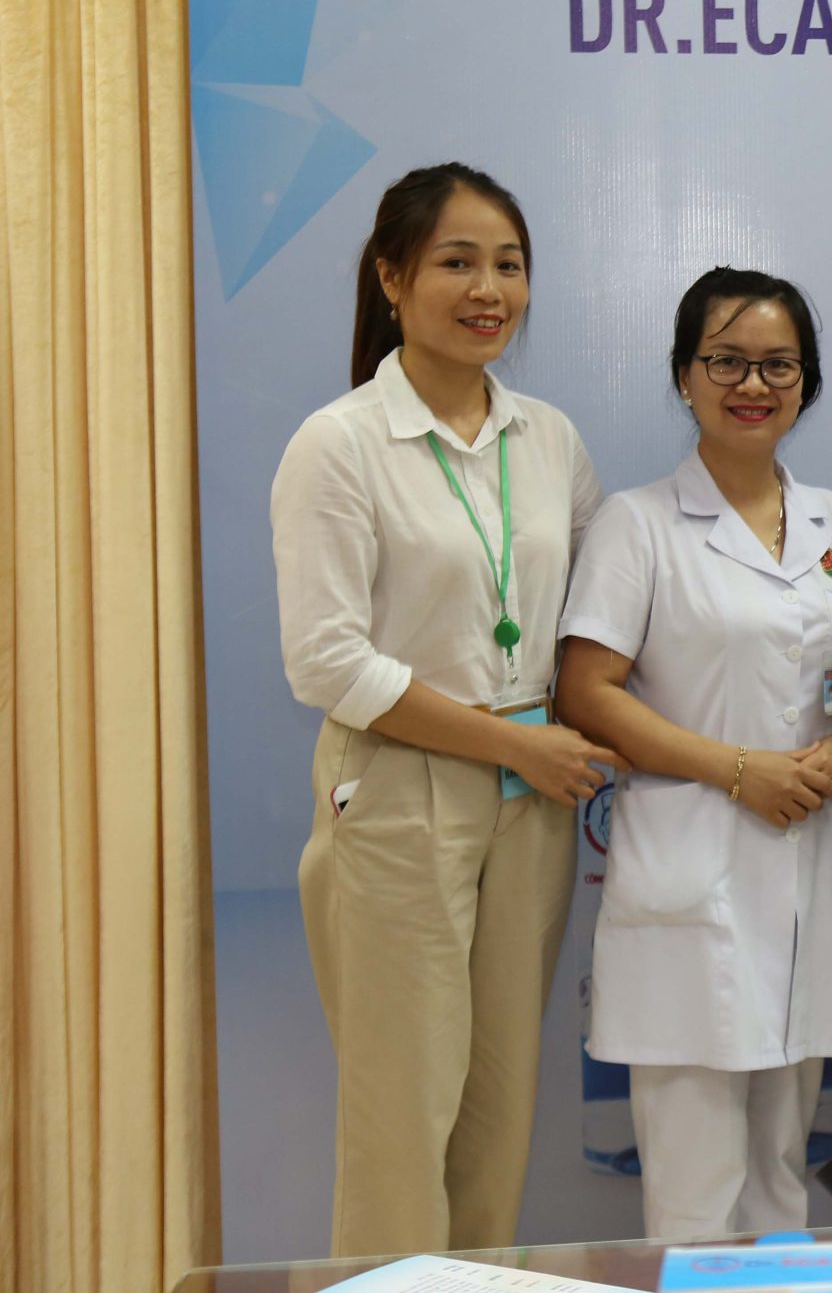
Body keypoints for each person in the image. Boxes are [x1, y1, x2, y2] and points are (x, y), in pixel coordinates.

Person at [274, 163, 624, 1256]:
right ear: (391, 278)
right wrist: (512, 742)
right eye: (457, 262)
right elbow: (327, 662)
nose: (489, 290)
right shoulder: (338, 442)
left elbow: (594, 617)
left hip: (532, 794)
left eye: (509, 265)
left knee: (498, 1112)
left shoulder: (549, 438)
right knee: (401, 1117)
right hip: (399, 788)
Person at [554, 268, 832, 1240]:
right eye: (726, 361)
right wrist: (739, 770)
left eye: (779, 364)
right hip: (691, 882)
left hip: (805, 880)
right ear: (684, 375)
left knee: (781, 1173)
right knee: (695, 1196)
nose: (753, 384)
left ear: (807, 382)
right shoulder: (638, 523)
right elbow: (586, 692)